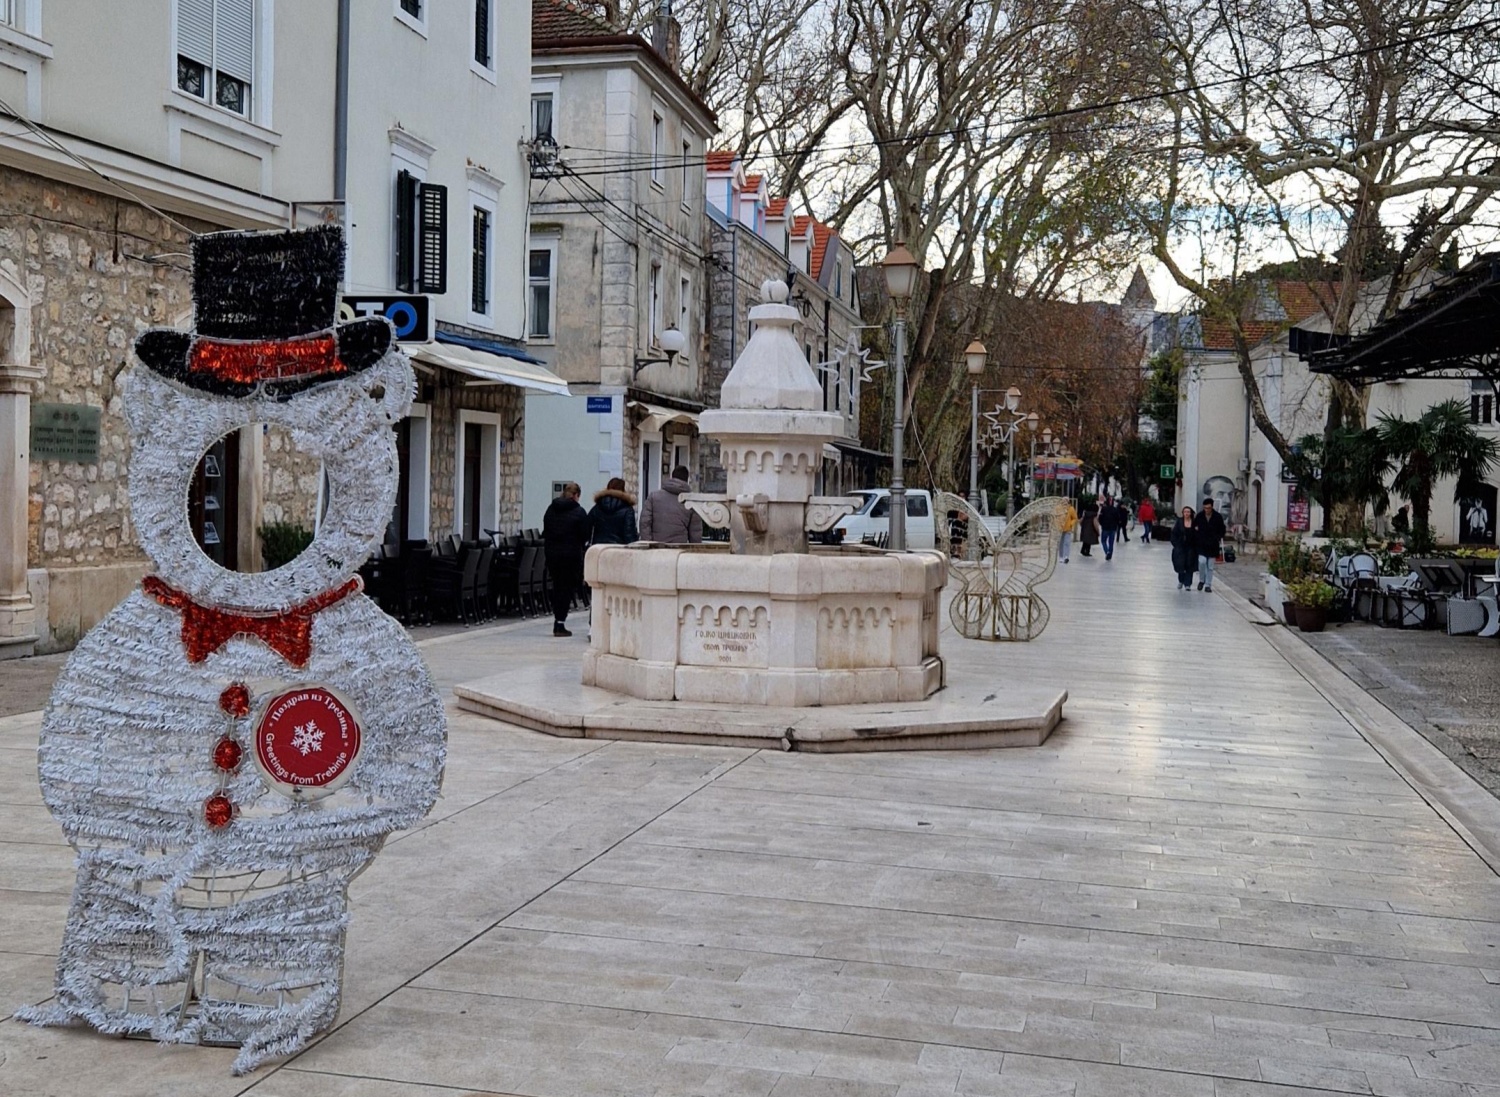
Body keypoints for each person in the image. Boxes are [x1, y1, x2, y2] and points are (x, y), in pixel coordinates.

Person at [542, 482, 592, 636]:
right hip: (571, 555)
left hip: (552, 554)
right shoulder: (579, 512)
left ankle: (557, 620)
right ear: (576, 495)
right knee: (567, 588)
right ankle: (560, 622)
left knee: (557, 585)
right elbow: (585, 535)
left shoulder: (551, 509)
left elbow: (546, 529)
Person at [640, 465, 703, 544]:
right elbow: (695, 532)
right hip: (679, 548)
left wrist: (648, 544)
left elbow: (645, 523)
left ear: (672, 477)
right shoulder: (691, 502)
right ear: (687, 480)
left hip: (656, 547)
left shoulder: (653, 497)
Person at [589, 477, 638, 545]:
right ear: (622, 490)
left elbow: (587, 529)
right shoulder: (627, 509)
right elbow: (629, 533)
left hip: (599, 547)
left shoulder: (597, 507)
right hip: (619, 548)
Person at [1195, 495, 1227, 592]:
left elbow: (1222, 529)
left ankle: (1208, 585)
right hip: (1201, 544)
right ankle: (1201, 580)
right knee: (1202, 562)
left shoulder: (1217, 517)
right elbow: (1195, 527)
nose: (1207, 510)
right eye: (1205, 508)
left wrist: (1218, 537)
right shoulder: (1199, 516)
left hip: (1213, 545)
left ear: (1212, 507)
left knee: (1210, 566)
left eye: (1208, 508)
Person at [1170, 506, 1197, 590]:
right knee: (1180, 564)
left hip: (1191, 547)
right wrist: (1176, 544)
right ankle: (1181, 580)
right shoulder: (1179, 522)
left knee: (1190, 565)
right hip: (1180, 546)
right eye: (1185, 512)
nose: (1186, 513)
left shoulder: (1194, 523)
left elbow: (1197, 534)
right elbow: (1174, 534)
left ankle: (1188, 584)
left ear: (1191, 513)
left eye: (1188, 512)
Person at [1098, 496, 1123, 560]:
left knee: (1103, 541)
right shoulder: (1115, 510)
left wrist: (1102, 524)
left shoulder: (1103, 509)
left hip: (1105, 527)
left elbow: (1100, 518)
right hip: (1113, 528)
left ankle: (1107, 552)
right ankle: (1110, 554)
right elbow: (1118, 519)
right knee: (1111, 542)